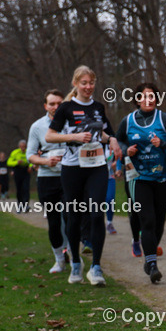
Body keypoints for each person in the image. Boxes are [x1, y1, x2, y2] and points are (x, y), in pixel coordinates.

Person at [46, 66, 120, 286]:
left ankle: (96, 268)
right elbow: (50, 136)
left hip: (96, 166)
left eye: (92, 82)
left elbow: (103, 133)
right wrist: (76, 136)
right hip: (73, 168)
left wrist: (112, 140)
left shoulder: (98, 107)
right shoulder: (66, 108)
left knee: (97, 213)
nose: (88, 87)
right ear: (75, 84)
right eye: (84, 83)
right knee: (74, 216)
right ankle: (76, 262)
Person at [117, 82, 166, 283]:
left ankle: (149, 257)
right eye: (144, 96)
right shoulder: (127, 121)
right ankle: (153, 264)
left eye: (152, 96)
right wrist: (126, 149)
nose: (148, 99)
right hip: (138, 178)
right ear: (137, 99)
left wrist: (162, 144)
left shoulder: (164, 119)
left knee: (158, 221)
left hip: (163, 177)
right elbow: (118, 140)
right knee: (146, 220)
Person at [27, 89, 69, 273]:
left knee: (70, 217)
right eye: (52, 103)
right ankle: (59, 259)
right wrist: (45, 161)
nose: (56, 107)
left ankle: (72, 254)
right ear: (45, 106)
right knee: (53, 221)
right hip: (47, 178)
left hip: (69, 177)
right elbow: (30, 155)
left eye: (59, 103)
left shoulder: (72, 123)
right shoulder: (37, 127)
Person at [8, 140, 31, 209]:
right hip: (17, 171)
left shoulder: (28, 152)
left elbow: (31, 160)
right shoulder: (15, 153)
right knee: (19, 189)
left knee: (26, 188)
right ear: (19, 147)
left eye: (24, 147)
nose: (23, 148)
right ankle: (20, 204)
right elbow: (9, 162)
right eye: (21, 147)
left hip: (26, 171)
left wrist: (30, 167)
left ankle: (26, 204)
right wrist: (16, 162)